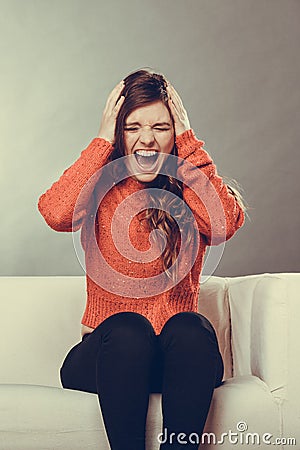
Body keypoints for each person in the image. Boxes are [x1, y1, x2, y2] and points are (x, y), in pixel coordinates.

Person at [38, 69, 247, 450]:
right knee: (129, 329)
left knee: (192, 327)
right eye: (132, 127)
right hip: (108, 359)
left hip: (174, 361)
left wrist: (188, 143)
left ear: (176, 135)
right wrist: (102, 140)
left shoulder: (190, 190)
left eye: (161, 127)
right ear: (118, 134)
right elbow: (55, 212)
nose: (147, 139)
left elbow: (224, 223)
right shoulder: (100, 187)